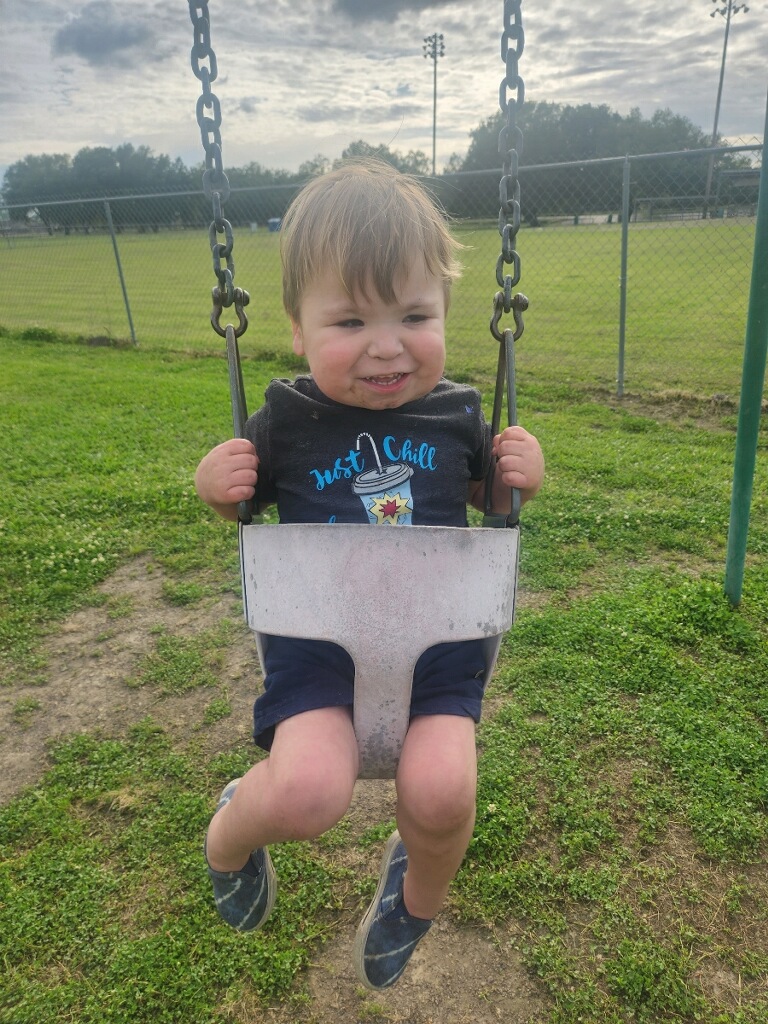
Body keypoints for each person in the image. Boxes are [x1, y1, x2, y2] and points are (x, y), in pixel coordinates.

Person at [194, 159, 544, 990]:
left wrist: (518, 479)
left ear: (446, 312)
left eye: (414, 315)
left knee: (444, 791)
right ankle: (229, 837)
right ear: (297, 328)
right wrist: (215, 485)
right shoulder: (286, 418)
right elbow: (240, 503)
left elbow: (492, 499)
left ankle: (415, 900)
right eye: (351, 320)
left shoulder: (459, 413)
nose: (387, 345)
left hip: (437, 649)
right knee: (309, 792)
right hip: (320, 649)